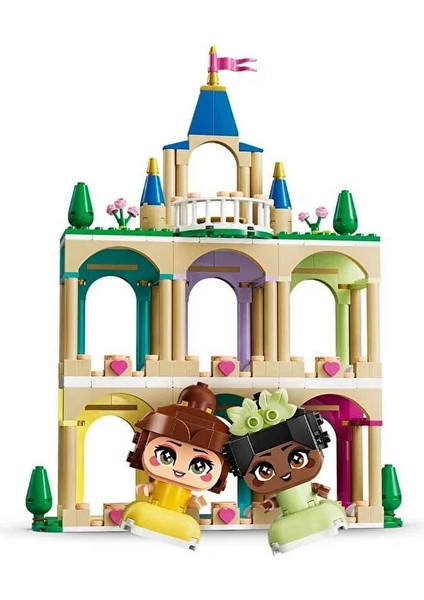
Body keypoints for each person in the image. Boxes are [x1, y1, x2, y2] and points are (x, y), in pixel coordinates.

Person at [223, 388, 347, 553]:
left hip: (313, 508)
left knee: (326, 512)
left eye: (297, 459)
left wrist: (321, 490)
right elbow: (278, 500)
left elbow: (316, 489)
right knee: (282, 530)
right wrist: (270, 503)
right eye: (265, 470)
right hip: (290, 515)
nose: (284, 473)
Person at [120, 382, 229, 550]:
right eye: (166, 455)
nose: (179, 469)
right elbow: (145, 489)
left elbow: (195, 502)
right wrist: (146, 488)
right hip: (154, 506)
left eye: (199, 466)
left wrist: (197, 501)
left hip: (179, 514)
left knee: (186, 525)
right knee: (140, 511)